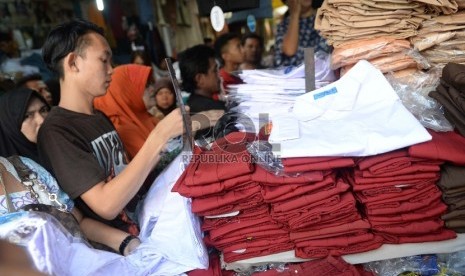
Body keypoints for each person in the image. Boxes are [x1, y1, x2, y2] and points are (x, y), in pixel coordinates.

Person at [38, 19, 184, 235]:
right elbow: (106, 205)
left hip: (144, 222)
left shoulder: (99, 117)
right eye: (104, 60)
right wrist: (158, 137)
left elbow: (124, 173)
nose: (111, 70)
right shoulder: (57, 131)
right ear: (73, 63)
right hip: (118, 250)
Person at [0, 87, 141, 256]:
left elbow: (76, 220)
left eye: (44, 110)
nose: (41, 120)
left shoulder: (29, 168)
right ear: (9, 125)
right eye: (27, 116)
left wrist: (126, 242)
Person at [274, 0, 331, 67]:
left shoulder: (323, 21)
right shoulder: (283, 25)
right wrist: (295, 15)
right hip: (288, 74)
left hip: (315, 72)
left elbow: (313, 66)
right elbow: (289, 51)